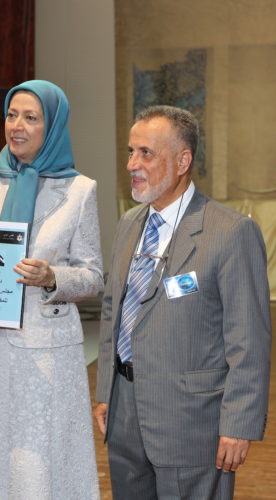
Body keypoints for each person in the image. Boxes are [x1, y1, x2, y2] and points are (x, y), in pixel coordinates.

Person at [94, 105, 271, 500]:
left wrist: (239, 424)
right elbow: (113, 311)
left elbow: (249, 340)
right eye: (130, 151)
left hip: (192, 422)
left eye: (146, 153)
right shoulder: (129, 224)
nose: (131, 164)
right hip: (125, 414)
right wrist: (107, 390)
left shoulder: (230, 232)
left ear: (182, 161)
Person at [0, 80, 103, 499]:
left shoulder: (79, 189)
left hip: (46, 355)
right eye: (12, 115)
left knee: (37, 463)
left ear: (52, 126)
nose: (17, 126)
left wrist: (52, 277)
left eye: (31, 118)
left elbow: (92, 274)